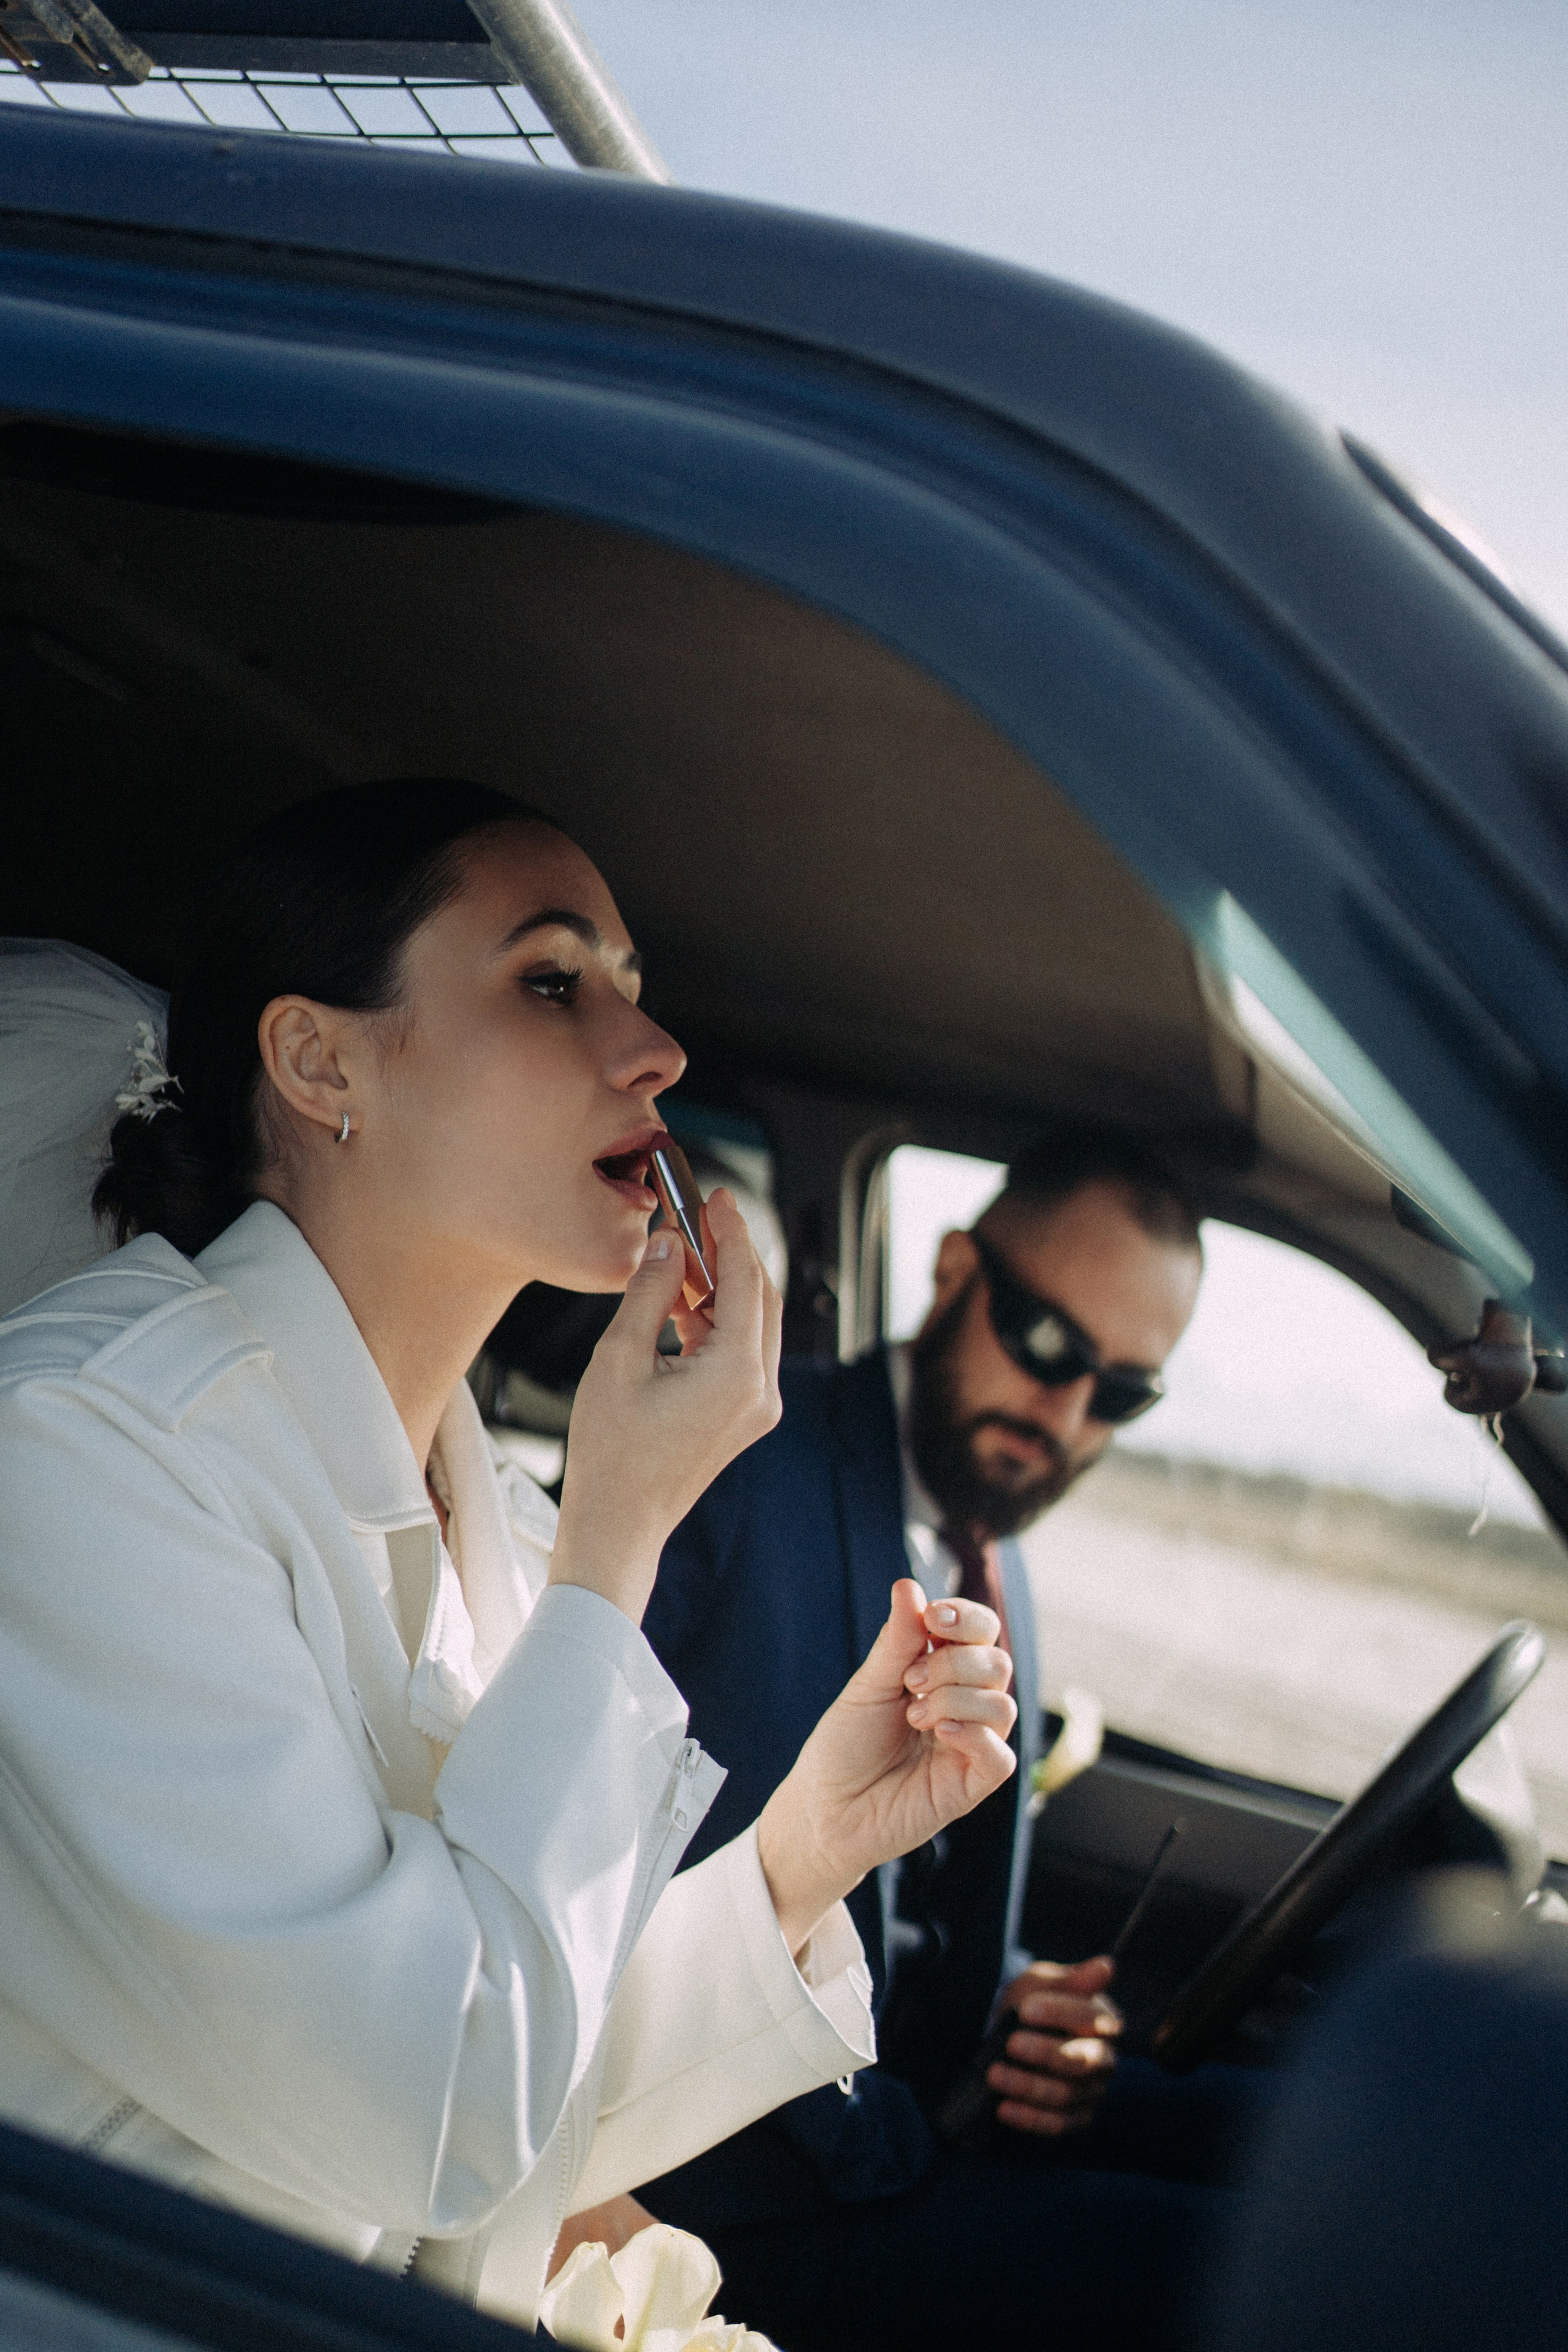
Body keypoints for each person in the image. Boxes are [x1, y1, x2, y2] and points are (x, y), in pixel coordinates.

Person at [0, 781, 1019, 2330]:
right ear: (320, 1061)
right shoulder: (84, 1455)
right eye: (552, 982)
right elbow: (424, 2112)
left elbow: (520, 2099)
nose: (654, 1048)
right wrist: (619, 1546)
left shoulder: (513, 1530)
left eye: (630, 984)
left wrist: (802, 1853)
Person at [638, 1135, 1231, 2350]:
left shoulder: (987, 1549)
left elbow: (903, 1898)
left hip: (900, 2119)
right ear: (955, 1270)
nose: (1066, 1411)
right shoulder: (745, 1456)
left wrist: (1007, 2001)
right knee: (1235, 2273)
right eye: (1047, 1343)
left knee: (1287, 2161)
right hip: (722, 2192)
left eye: (1121, 1392)